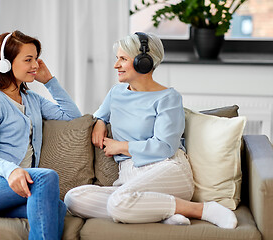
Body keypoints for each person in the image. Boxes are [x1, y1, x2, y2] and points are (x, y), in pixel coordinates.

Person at [64, 32, 237, 229]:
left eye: (123, 59)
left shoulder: (168, 98)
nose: (116, 65)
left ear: (143, 62)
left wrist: (121, 146)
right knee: (74, 199)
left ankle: (203, 209)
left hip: (167, 169)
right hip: (130, 177)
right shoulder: (116, 93)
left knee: (118, 203)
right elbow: (98, 115)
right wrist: (100, 122)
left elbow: (164, 147)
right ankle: (162, 211)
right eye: (117, 58)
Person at [0, 30, 81, 240]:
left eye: (36, 59)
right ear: (5, 63)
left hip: (6, 189)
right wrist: (12, 171)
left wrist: (49, 82)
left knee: (57, 207)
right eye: (28, 59)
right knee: (45, 178)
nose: (35, 65)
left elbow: (73, 116)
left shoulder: (31, 99)